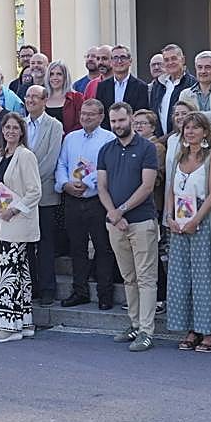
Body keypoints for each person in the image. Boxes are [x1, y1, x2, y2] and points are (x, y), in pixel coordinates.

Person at [99, 103, 160, 352]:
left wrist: (120, 210)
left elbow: (147, 186)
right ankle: (134, 324)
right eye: (113, 122)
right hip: (115, 223)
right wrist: (113, 214)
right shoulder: (106, 149)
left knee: (146, 278)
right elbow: (102, 186)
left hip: (142, 221)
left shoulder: (147, 148)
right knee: (129, 277)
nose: (117, 125)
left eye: (121, 120)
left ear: (132, 119)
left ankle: (147, 330)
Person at [164, 112, 211, 353]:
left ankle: (208, 331)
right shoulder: (179, 156)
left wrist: (195, 220)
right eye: (186, 127)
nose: (190, 131)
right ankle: (190, 328)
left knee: (203, 277)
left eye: (195, 127)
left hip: (203, 220)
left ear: (205, 132)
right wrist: (169, 217)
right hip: (178, 220)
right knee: (180, 276)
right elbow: (170, 188)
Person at [54, 99, 116, 310]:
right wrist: (65, 184)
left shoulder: (109, 138)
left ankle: (105, 293)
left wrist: (87, 183)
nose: (86, 117)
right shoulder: (71, 138)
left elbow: (108, 169)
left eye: (91, 114)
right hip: (72, 199)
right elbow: (61, 163)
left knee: (103, 247)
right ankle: (79, 291)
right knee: (77, 249)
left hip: (98, 199)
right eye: (84, 113)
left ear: (101, 117)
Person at [0, 113, 42, 343]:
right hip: (6, 222)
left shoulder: (25, 156)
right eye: (7, 127)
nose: (10, 131)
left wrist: (14, 210)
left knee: (8, 274)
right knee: (20, 273)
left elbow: (35, 191)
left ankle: (9, 327)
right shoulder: (3, 156)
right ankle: (25, 323)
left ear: (22, 132)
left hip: (17, 222)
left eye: (15, 128)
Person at [22, 85, 64, 307]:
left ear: (44, 100)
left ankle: (48, 289)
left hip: (45, 194)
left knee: (46, 243)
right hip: (22, 197)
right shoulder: (20, 123)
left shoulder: (54, 126)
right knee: (27, 243)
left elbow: (51, 160)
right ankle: (32, 287)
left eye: (35, 97)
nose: (30, 100)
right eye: (27, 96)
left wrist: (29, 182)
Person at [132, 109, 168, 310]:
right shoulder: (132, 145)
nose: (137, 127)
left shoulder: (157, 148)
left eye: (142, 123)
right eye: (135, 123)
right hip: (133, 206)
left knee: (153, 255)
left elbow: (158, 177)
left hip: (151, 205)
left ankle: (159, 296)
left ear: (153, 127)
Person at [94, 45, 150, 127]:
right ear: (111, 62)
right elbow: (101, 114)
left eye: (123, 57)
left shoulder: (141, 87)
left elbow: (140, 115)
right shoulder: (102, 87)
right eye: (115, 58)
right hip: (109, 135)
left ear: (130, 61)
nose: (119, 61)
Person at [149, 43, 196, 136]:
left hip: (183, 138)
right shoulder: (158, 85)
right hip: (160, 141)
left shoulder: (192, 84)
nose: (170, 63)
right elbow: (153, 113)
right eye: (166, 60)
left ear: (182, 60)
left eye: (174, 58)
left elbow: (192, 115)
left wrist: (167, 138)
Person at [43, 60, 84, 134]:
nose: (54, 77)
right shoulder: (42, 97)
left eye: (59, 74)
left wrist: (65, 135)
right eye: (51, 74)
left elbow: (81, 122)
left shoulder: (77, 98)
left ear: (65, 77)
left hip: (69, 142)